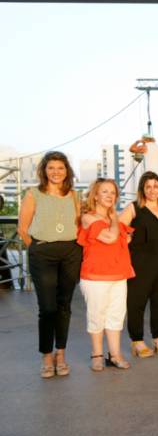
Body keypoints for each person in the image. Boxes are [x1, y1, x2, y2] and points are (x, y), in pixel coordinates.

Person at [18, 151, 82, 378]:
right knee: (47, 308)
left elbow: (80, 225)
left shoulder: (74, 195)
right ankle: (46, 355)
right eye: (51, 167)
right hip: (42, 253)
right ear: (44, 170)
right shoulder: (33, 194)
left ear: (67, 171)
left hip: (71, 253)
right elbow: (23, 229)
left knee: (64, 305)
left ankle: (60, 354)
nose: (56, 172)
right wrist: (37, 249)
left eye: (60, 168)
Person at [77, 178, 135, 371]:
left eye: (113, 192)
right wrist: (115, 218)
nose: (110, 195)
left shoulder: (112, 221)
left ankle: (115, 354)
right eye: (104, 191)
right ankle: (97, 354)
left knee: (116, 316)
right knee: (97, 316)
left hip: (119, 274)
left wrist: (114, 220)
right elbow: (110, 237)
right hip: (96, 276)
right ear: (95, 195)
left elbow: (126, 240)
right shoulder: (88, 217)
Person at [119, 171, 158, 358]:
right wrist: (127, 237)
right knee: (136, 302)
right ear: (142, 189)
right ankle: (137, 341)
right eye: (148, 187)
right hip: (139, 262)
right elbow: (118, 228)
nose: (152, 190)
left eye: (156, 186)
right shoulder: (134, 208)